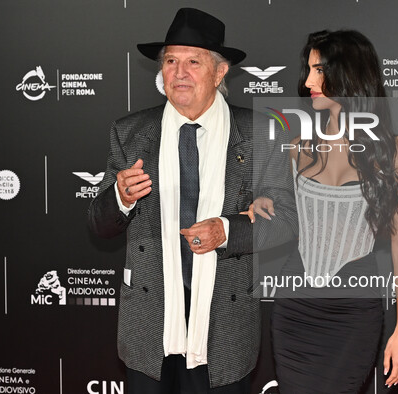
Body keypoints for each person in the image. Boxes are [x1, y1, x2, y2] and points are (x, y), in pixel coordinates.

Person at [88, 8, 296, 393]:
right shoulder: (130, 133)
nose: (179, 72)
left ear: (220, 73)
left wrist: (228, 230)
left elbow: (285, 220)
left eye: (193, 61)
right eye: (170, 61)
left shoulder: (261, 134)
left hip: (225, 330)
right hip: (149, 330)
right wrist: (120, 197)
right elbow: (98, 225)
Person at [247, 30, 398, 393]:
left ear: (351, 75)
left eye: (319, 70)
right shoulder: (298, 148)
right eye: (308, 70)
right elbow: (285, 220)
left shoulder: (396, 153)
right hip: (296, 308)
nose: (308, 81)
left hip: (354, 313)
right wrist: (265, 205)